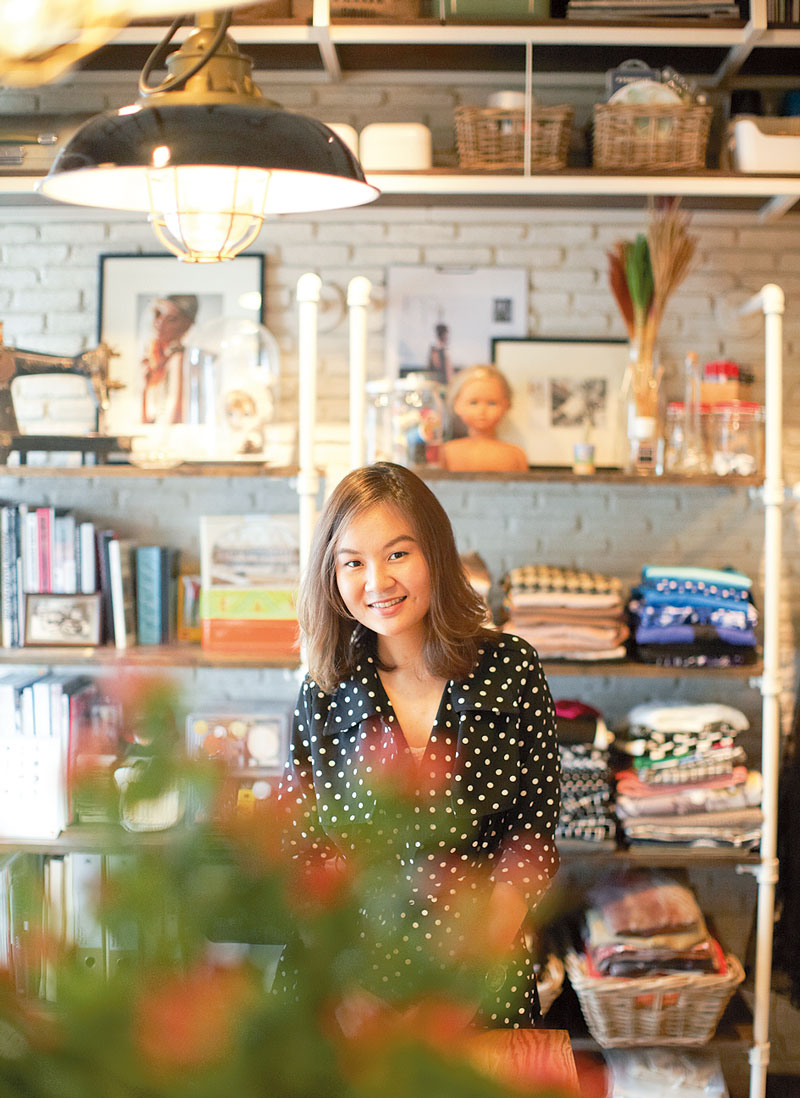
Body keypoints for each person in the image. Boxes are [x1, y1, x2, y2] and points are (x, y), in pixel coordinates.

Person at [276, 462, 559, 1030]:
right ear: (332, 576)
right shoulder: (323, 692)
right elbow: (302, 854)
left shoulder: (511, 668)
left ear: (435, 554)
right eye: (353, 563)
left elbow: (530, 840)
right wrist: (358, 997)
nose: (377, 582)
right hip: (349, 991)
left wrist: (457, 995)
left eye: (398, 554)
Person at [442, 365, 528, 473]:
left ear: (506, 405)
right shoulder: (446, 453)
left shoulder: (516, 455)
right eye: (473, 402)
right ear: (457, 405)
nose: (482, 411)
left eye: (492, 403)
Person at [140, 294, 198, 425]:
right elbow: (145, 419)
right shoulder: (153, 358)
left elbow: (176, 417)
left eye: (171, 319)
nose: (160, 322)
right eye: (159, 314)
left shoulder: (181, 359)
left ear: (187, 325)